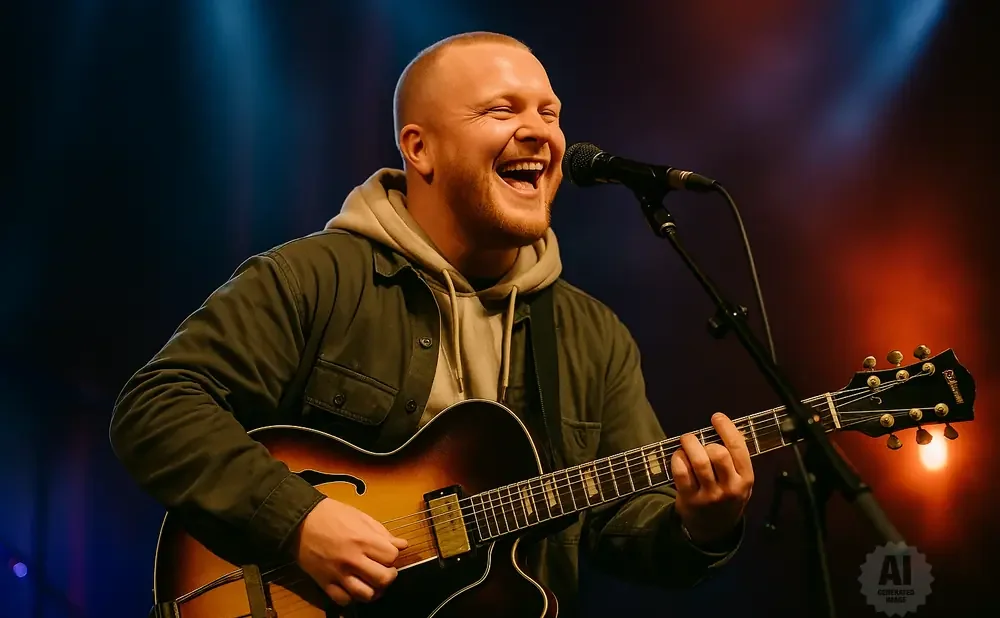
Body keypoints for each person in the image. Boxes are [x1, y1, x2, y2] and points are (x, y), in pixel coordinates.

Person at [109, 31, 753, 616]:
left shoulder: (593, 336)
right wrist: (299, 521)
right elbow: (157, 407)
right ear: (420, 148)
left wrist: (702, 525)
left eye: (549, 113)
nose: (540, 132)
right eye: (502, 111)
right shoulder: (318, 277)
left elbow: (621, 527)